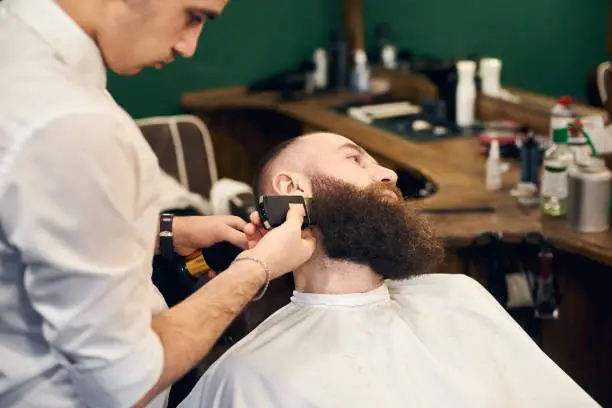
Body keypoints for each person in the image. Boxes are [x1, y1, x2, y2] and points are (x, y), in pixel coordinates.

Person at [0, 1, 316, 407]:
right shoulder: (70, 122)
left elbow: (31, 224)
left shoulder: (21, 44)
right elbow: (124, 381)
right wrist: (254, 270)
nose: (189, 47)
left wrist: (165, 232)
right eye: (194, 16)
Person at [179, 133, 599, 408]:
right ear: (292, 190)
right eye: (355, 160)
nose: (388, 174)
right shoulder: (248, 376)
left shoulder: (458, 296)